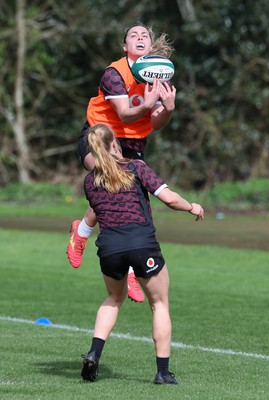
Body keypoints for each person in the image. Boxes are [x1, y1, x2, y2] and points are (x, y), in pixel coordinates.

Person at [79, 123, 204, 384]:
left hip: (109, 249)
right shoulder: (136, 168)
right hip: (141, 244)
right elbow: (169, 198)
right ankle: (162, 372)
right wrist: (191, 206)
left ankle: (93, 354)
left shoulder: (89, 182)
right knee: (159, 303)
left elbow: (98, 213)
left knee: (113, 299)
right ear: (114, 143)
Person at [67, 22, 176, 303]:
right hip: (99, 136)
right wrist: (148, 102)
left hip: (133, 144)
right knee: (109, 184)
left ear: (151, 46)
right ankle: (84, 236)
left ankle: (89, 236)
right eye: (133, 35)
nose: (140, 38)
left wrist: (169, 108)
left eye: (145, 36)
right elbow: (126, 114)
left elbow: (157, 122)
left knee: (135, 205)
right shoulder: (114, 73)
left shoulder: (159, 73)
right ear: (125, 46)